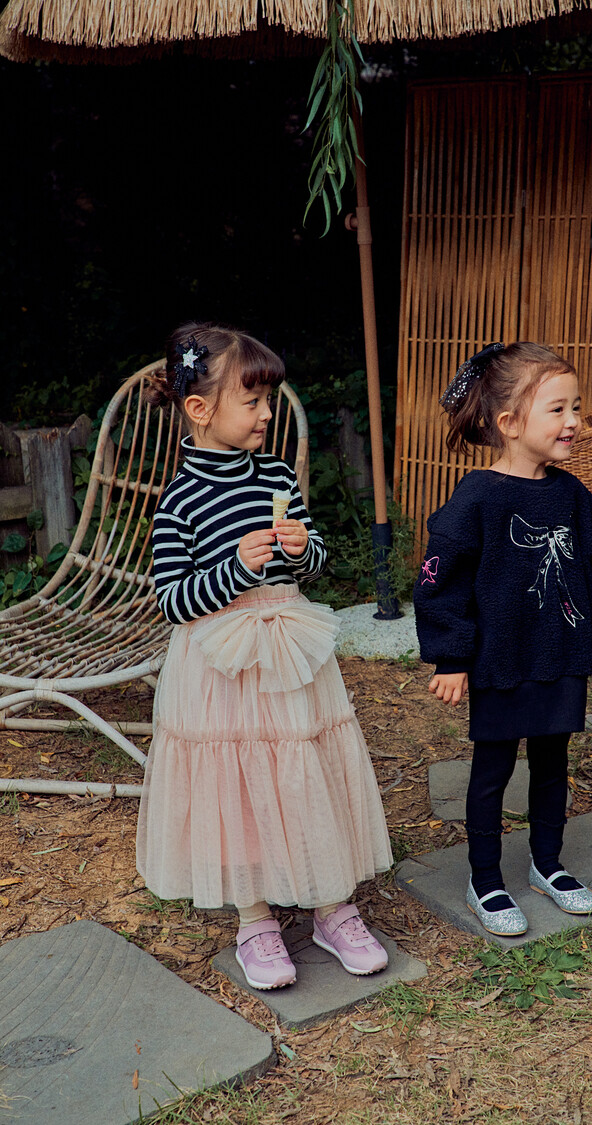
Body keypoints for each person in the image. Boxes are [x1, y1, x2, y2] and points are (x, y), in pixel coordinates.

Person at [136, 322, 393, 989]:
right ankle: (255, 918)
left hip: (287, 650)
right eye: (251, 401)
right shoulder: (181, 501)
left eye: (268, 400)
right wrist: (233, 569)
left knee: (302, 764)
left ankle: (331, 905)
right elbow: (174, 600)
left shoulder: (275, 474)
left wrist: (303, 549)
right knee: (237, 780)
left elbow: (314, 561)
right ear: (200, 409)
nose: (266, 413)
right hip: (221, 665)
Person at [413, 342, 592, 937]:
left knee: (552, 763)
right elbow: (440, 578)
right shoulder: (477, 497)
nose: (574, 421)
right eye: (558, 409)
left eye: (576, 407)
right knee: (492, 771)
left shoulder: (572, 496)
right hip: (499, 661)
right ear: (510, 423)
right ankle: (485, 879)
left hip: (559, 656)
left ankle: (547, 865)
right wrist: (451, 655)